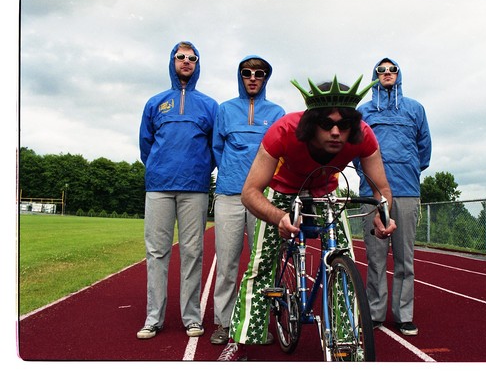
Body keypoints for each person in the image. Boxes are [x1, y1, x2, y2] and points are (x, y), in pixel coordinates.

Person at [217, 75, 397, 361]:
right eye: (327, 124)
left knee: (344, 255)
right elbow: (250, 192)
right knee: (262, 263)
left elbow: (381, 187)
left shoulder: (362, 134)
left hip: (325, 191)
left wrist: (382, 213)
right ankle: (240, 342)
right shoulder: (283, 130)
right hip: (284, 190)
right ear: (311, 123)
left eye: (344, 125)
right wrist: (279, 217)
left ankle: (347, 342)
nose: (337, 132)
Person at [137, 41, 218, 340]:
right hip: (158, 186)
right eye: (180, 57)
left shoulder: (210, 105)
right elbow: (146, 145)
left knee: (192, 253)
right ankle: (153, 318)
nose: (186, 61)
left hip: (194, 188)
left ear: (197, 64)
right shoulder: (155, 102)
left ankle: (191, 318)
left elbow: (214, 147)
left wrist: (198, 169)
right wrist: (159, 167)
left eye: (192, 58)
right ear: (171, 61)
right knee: (156, 253)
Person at [210, 56, 285, 345]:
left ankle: (257, 324)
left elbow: (281, 152)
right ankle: (224, 323)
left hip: (263, 197)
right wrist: (233, 174)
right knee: (227, 264)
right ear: (240, 76)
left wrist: (262, 185)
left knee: (262, 264)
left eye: (259, 73)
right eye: (247, 73)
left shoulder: (276, 111)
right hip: (229, 195)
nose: (253, 78)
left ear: (266, 78)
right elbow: (218, 148)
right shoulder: (225, 110)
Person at [353, 58, 431, 336]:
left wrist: (406, 168)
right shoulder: (364, 111)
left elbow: (424, 151)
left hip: (407, 190)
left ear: (399, 74)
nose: (387, 74)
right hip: (372, 194)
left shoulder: (415, 109)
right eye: (381, 70)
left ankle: (404, 314)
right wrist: (371, 179)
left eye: (392, 70)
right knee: (375, 258)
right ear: (375, 75)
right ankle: (375, 313)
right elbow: (355, 151)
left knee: (404, 258)